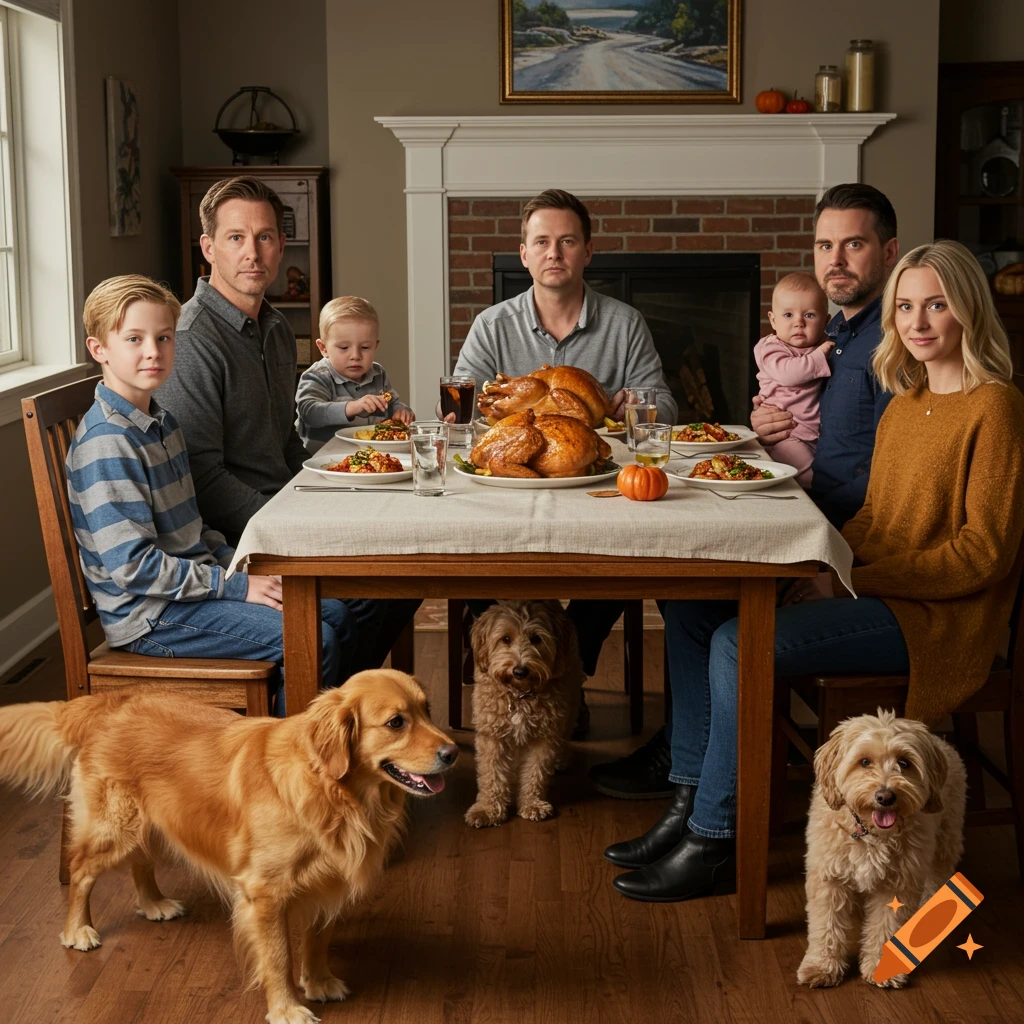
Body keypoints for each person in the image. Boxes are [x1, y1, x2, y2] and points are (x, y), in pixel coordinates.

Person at [604, 239, 1024, 903]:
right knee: (690, 608)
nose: (917, 322)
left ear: (968, 311)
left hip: (936, 618)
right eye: (906, 306)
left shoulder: (994, 406)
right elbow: (874, 522)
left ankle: (715, 838)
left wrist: (857, 578)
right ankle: (687, 801)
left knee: (737, 642)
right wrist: (820, 566)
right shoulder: (909, 401)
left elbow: (984, 553)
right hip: (878, 589)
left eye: (936, 305)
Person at [590, 183, 901, 798]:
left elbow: (889, 487)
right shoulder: (834, 333)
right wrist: (760, 426)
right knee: (684, 597)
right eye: (824, 245)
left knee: (709, 613)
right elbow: (817, 423)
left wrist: (832, 566)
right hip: (817, 525)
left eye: (854, 244)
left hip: (841, 549)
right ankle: (687, 765)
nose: (835, 259)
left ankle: (705, 807)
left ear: (888, 253)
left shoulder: (889, 349)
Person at [67, 276, 366, 716]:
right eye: (134, 338)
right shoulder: (108, 442)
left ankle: (327, 742)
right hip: (150, 616)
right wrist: (238, 586)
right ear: (100, 350)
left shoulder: (161, 423)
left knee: (337, 615)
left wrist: (235, 565)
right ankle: (287, 771)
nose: (153, 350)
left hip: (188, 588)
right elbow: (133, 567)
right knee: (312, 638)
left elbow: (192, 529)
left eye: (164, 337)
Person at [157, 176, 416, 675]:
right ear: (208, 248)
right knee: (356, 603)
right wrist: (294, 522)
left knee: (398, 576)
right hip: (237, 538)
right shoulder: (191, 340)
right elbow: (202, 480)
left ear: (280, 246)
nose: (253, 252)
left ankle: (334, 711)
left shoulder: (275, 329)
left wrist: (342, 485)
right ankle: (308, 729)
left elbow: (287, 445)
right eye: (236, 238)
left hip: (280, 509)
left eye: (266, 237)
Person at [452, 189, 677, 719]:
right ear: (524, 253)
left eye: (567, 241)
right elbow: (464, 402)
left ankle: (573, 657)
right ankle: (506, 684)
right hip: (512, 481)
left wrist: (633, 405)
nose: (554, 252)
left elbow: (662, 403)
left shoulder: (623, 323)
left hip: (596, 484)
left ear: (587, 251)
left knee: (631, 553)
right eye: (542, 242)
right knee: (469, 546)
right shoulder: (493, 325)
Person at [296, 296, 414, 454]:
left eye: (365, 347)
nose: (355, 355)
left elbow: (392, 404)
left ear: (375, 346)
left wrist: (402, 411)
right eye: (344, 347)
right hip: (321, 459)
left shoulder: (378, 373)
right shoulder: (318, 376)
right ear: (323, 348)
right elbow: (309, 412)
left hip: (371, 455)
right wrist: (352, 407)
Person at [753, 272, 832, 488]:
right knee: (810, 480)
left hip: (816, 434)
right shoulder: (770, 348)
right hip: (786, 434)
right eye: (788, 315)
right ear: (773, 320)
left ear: (826, 321)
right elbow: (789, 374)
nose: (799, 323)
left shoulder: (822, 345)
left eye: (809, 315)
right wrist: (819, 357)